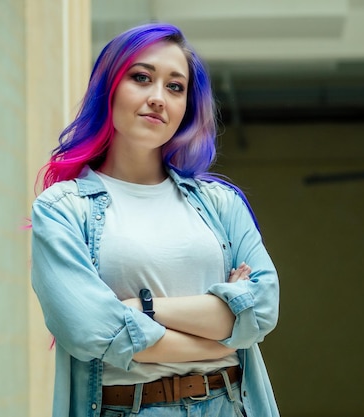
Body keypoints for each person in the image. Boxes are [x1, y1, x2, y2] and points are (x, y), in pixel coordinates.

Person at [30, 22, 280, 417]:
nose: (158, 98)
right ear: (108, 88)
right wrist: (223, 339)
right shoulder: (63, 209)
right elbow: (90, 330)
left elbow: (262, 309)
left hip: (229, 405)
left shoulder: (221, 204)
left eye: (175, 86)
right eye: (142, 78)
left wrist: (142, 309)